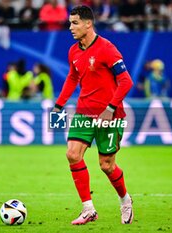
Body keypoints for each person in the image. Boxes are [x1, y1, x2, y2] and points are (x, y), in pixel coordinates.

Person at [52, 5, 134, 225]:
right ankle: (88, 209)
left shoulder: (107, 49)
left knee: (106, 165)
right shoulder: (73, 51)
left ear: (88, 23)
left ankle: (125, 200)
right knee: (72, 154)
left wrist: (110, 108)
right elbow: (72, 78)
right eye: (70, 23)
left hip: (110, 115)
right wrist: (58, 106)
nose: (71, 27)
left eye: (75, 22)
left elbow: (126, 81)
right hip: (84, 112)